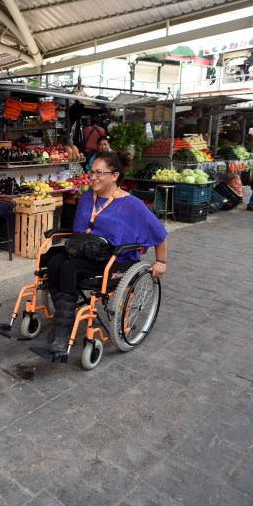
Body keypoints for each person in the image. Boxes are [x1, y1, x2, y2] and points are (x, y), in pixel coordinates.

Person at [41, 151, 168, 354]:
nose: (93, 177)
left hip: (113, 260)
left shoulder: (131, 205)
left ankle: (63, 333)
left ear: (115, 175)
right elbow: (79, 231)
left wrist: (161, 262)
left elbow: (159, 235)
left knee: (68, 267)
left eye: (99, 173)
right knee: (54, 261)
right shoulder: (85, 198)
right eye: (91, 172)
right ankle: (63, 319)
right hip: (85, 251)